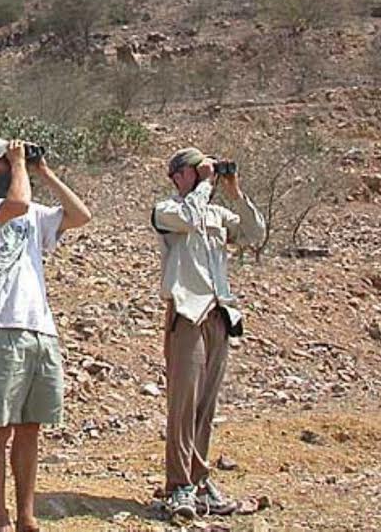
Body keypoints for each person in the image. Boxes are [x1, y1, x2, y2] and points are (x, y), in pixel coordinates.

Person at [0, 136, 92, 532]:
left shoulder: (34, 211)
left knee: (31, 427)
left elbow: (80, 214)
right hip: (1, 326)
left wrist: (43, 172)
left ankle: (25, 516)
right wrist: (19, 165)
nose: (14, 165)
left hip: (40, 328)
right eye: (4, 161)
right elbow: (14, 205)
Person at [152, 147, 266, 521]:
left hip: (219, 314)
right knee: (183, 405)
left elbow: (254, 233)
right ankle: (178, 485)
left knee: (205, 407)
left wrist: (233, 190)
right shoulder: (168, 211)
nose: (204, 177)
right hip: (187, 313)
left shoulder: (217, 214)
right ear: (178, 176)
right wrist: (204, 183)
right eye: (194, 170)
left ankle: (200, 481)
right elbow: (188, 215)